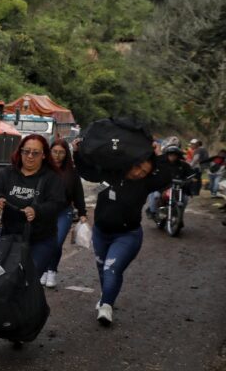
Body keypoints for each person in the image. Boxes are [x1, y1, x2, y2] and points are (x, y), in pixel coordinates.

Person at [73, 139, 172, 326]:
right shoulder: (110, 173)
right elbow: (86, 171)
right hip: (101, 233)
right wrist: (77, 152)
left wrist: (159, 155)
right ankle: (107, 296)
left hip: (128, 236)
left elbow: (165, 178)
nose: (139, 173)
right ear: (132, 163)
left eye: (144, 172)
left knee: (112, 268)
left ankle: (106, 306)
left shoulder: (145, 184)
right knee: (103, 270)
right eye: (138, 168)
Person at [0, 134, 66, 278]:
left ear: (44, 155)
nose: (30, 156)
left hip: (40, 239)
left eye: (35, 153)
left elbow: (57, 203)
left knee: (27, 279)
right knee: (6, 278)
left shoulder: (52, 178)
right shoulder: (8, 173)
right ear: (20, 152)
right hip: (10, 236)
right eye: (26, 151)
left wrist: (36, 210)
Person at [41, 139, 87, 288]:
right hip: (45, 212)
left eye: (61, 152)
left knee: (57, 242)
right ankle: (44, 270)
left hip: (64, 212)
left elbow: (78, 194)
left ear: (66, 154)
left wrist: (82, 213)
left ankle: (52, 270)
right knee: (45, 241)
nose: (58, 155)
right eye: (55, 151)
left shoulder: (71, 172)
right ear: (50, 152)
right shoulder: (43, 169)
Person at [146, 145, 195, 218]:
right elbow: (153, 171)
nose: (172, 156)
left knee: (185, 199)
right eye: (170, 154)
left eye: (174, 155)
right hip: (162, 187)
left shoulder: (183, 165)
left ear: (178, 156)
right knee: (156, 196)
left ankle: (179, 216)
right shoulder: (161, 163)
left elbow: (191, 173)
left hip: (178, 188)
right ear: (167, 155)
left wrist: (192, 178)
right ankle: (152, 211)